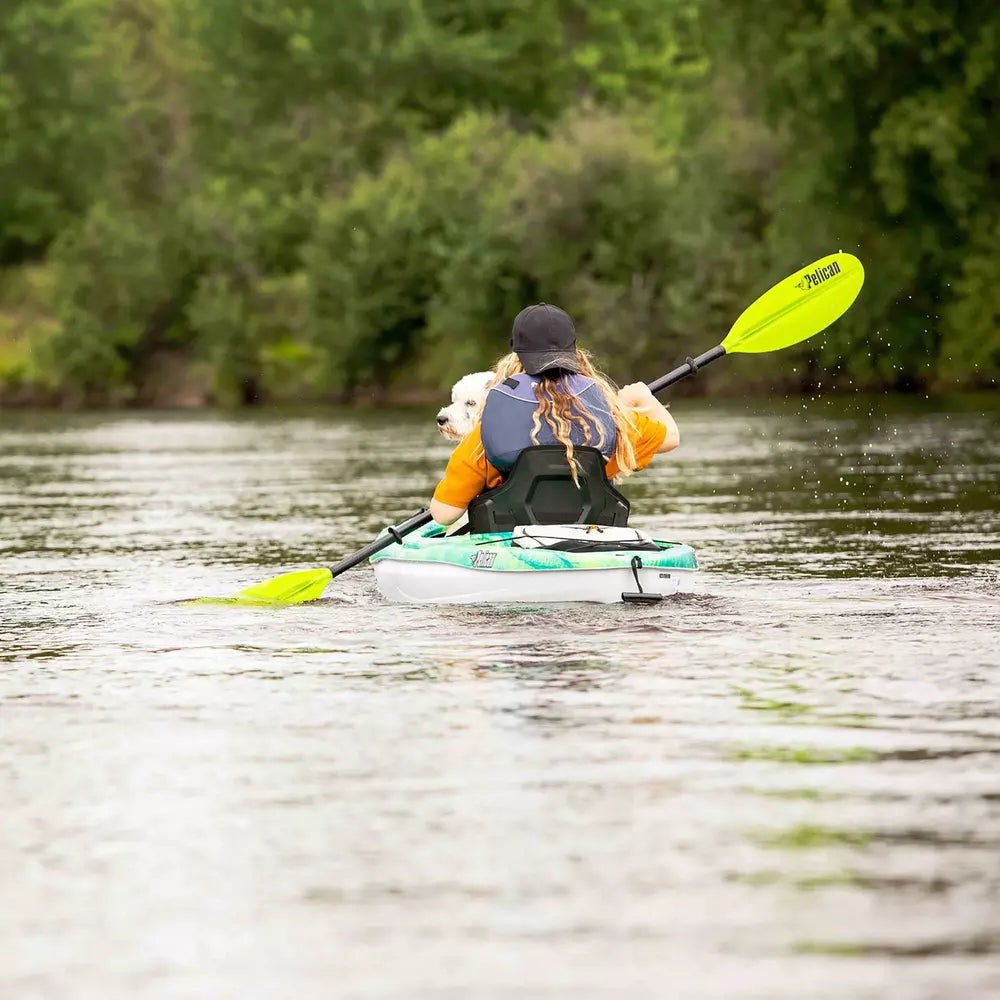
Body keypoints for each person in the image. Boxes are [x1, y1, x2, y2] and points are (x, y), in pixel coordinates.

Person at [429, 303, 680, 526]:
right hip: (588, 543)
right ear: (576, 356)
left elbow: (444, 514)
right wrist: (644, 397)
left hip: (510, 547)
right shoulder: (609, 423)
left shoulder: (485, 436)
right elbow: (671, 437)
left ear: (516, 360)